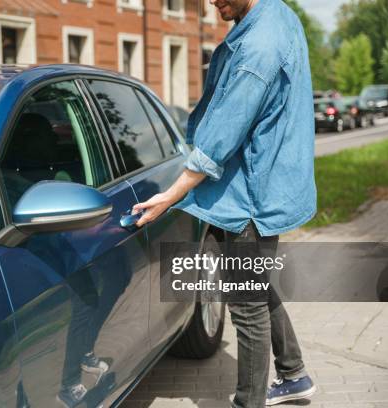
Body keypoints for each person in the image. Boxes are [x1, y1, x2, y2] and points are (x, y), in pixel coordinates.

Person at [132, 0, 317, 406]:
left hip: (249, 198)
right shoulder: (276, 13)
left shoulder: (259, 48)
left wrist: (169, 195)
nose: (211, 1)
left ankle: (247, 401)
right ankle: (294, 372)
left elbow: (219, 140)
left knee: (246, 306)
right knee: (257, 285)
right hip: (266, 185)